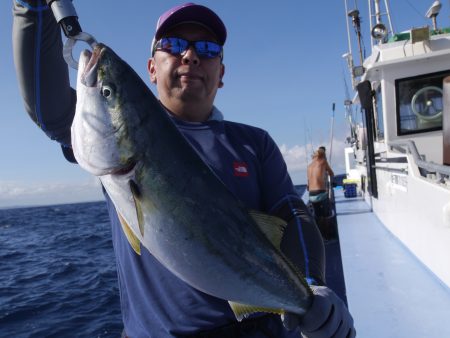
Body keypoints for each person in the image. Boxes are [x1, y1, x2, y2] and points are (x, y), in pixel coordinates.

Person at [13, 2, 355, 337]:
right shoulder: (113, 138)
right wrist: (31, 9)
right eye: (174, 45)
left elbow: (292, 212)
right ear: (151, 68)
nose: (190, 56)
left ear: (220, 74)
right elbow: (50, 109)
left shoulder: (254, 143)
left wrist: (310, 285)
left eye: (207, 49)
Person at [307, 147, 335, 218]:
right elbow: (331, 173)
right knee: (327, 213)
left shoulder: (309, 166)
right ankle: (326, 219)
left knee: (317, 214)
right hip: (320, 193)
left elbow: (308, 182)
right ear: (322, 156)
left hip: (311, 195)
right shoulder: (323, 162)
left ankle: (318, 222)